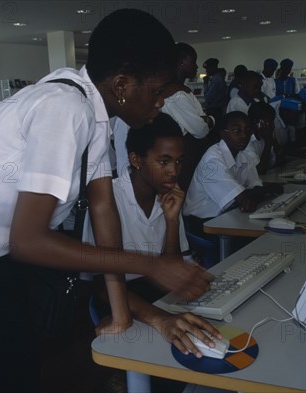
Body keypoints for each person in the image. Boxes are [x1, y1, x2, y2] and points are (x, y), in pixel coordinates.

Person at [0, 9, 212, 392]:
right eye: (158, 91)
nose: (161, 103)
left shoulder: (96, 116)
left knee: (15, 364)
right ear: (123, 84)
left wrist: (121, 312)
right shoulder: (65, 108)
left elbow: (102, 206)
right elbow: (28, 241)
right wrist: (151, 264)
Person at [83, 113, 221, 357]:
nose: (173, 171)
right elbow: (99, 284)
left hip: (161, 294)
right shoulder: (109, 199)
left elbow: (172, 265)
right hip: (121, 297)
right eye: (164, 161)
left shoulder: (169, 195)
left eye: (179, 162)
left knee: (205, 335)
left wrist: (171, 221)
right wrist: (160, 318)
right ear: (136, 160)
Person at [183, 111, 283, 261]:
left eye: (248, 131)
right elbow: (242, 198)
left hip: (227, 215)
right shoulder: (213, 160)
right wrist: (267, 190)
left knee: (268, 234)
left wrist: (254, 194)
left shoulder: (243, 155)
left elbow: (255, 188)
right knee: (258, 242)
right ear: (223, 134)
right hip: (203, 222)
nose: (244, 135)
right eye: (237, 131)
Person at [161, 43, 214, 192]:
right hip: (184, 156)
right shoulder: (176, 94)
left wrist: (206, 120)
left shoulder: (182, 91)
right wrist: (207, 120)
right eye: (193, 61)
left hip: (189, 155)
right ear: (181, 62)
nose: (196, 67)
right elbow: (200, 129)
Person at [274, 58, 306, 147]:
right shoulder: (274, 82)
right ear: (281, 68)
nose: (287, 71)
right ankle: (288, 144)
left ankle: (299, 141)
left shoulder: (293, 80)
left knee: (301, 115)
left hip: (292, 106)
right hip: (280, 108)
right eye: (285, 68)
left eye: (289, 69)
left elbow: (297, 94)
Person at [247, 102, 284, 174]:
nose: (272, 126)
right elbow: (260, 170)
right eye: (269, 122)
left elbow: (280, 162)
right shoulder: (248, 141)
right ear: (256, 122)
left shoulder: (263, 137)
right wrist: (268, 141)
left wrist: (273, 141)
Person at [202, 58, 227, 128]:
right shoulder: (217, 78)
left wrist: (205, 84)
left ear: (213, 67)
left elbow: (208, 97)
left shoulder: (216, 79)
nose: (206, 71)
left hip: (214, 110)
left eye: (208, 68)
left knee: (213, 132)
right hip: (217, 109)